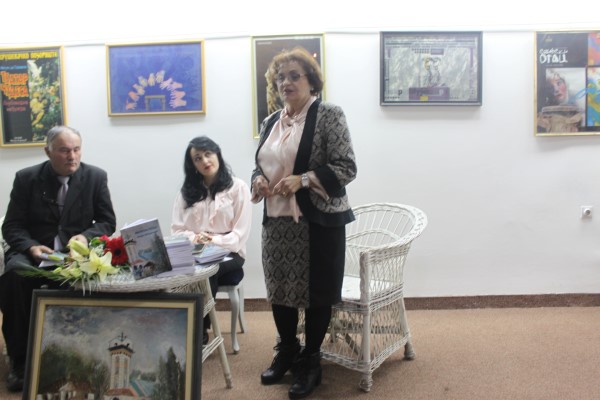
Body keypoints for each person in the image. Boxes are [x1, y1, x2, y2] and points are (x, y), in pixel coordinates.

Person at [251, 47, 357, 400]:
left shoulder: (329, 115)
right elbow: (260, 165)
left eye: (294, 75)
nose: (286, 82)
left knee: (316, 294)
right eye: (280, 77)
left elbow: (346, 166)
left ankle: (311, 360)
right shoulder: (270, 122)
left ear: (312, 81)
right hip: (277, 222)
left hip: (318, 222)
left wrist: (305, 179)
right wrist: (257, 181)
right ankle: (287, 350)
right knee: (280, 291)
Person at [0, 125, 116, 392]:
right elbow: (12, 226)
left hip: (73, 255)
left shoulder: (95, 177)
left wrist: (85, 237)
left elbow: (107, 221)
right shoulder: (27, 178)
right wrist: (31, 247)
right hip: (32, 254)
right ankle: (20, 361)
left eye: (76, 150)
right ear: (48, 151)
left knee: (95, 280)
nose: (71, 156)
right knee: (14, 278)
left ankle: (83, 358)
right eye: (64, 151)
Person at [171, 136, 252, 345]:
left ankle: (199, 329)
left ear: (217, 154)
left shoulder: (238, 188)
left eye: (208, 154)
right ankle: (178, 324)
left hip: (230, 252)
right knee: (176, 269)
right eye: (197, 158)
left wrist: (213, 240)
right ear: (192, 165)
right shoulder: (185, 193)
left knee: (207, 270)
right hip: (196, 250)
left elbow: (240, 234)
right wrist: (195, 238)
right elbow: (177, 230)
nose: (205, 161)